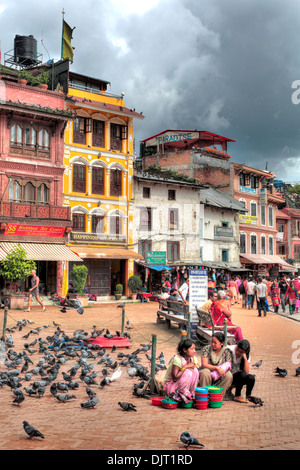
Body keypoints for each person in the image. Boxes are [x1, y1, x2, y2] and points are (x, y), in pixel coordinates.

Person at [163, 338, 199, 403]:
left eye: (194, 349)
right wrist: (185, 367)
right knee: (188, 372)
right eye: (192, 349)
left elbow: (195, 375)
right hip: (171, 386)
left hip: (181, 385)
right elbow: (175, 378)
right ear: (184, 350)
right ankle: (179, 393)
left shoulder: (193, 358)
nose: (194, 351)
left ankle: (190, 393)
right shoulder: (177, 359)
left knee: (195, 370)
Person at [198, 332, 233, 398]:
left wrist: (220, 370)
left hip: (219, 374)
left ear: (222, 343)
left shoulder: (226, 351)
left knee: (228, 375)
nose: (212, 344)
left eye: (215, 343)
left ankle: (218, 397)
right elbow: (204, 364)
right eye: (212, 342)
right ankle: (204, 396)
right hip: (208, 372)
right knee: (205, 372)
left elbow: (228, 365)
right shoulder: (207, 349)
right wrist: (217, 368)